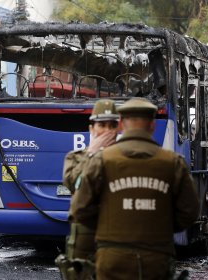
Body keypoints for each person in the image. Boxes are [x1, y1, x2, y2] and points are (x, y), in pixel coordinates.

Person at [69, 97, 200, 280]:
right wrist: (159, 226)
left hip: (112, 258)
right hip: (156, 258)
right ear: (152, 125)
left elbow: (79, 209)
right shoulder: (173, 163)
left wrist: (109, 226)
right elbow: (190, 212)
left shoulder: (102, 160)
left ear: (121, 124)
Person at [56, 99, 119, 280]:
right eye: (101, 125)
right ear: (92, 128)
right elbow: (73, 184)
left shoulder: (124, 158)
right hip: (84, 233)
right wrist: (92, 153)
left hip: (116, 232)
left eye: (111, 125)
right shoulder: (76, 158)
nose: (106, 130)